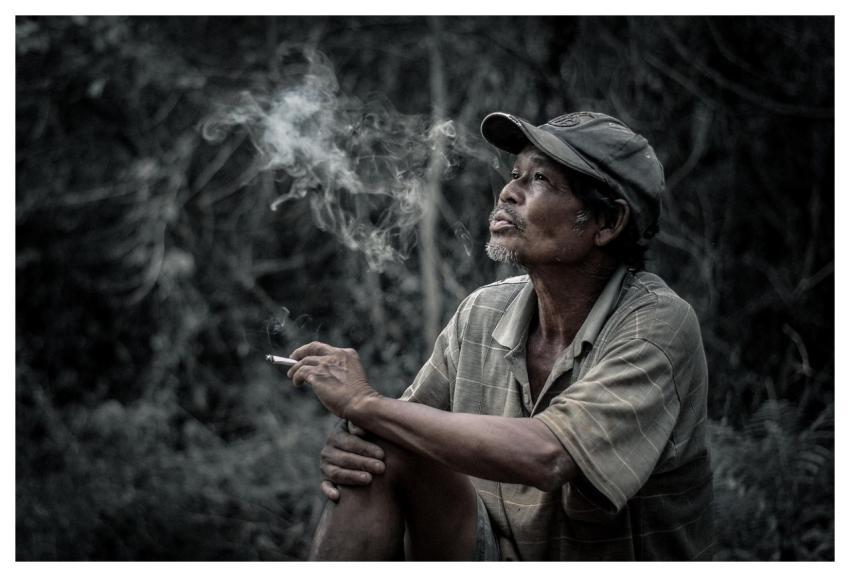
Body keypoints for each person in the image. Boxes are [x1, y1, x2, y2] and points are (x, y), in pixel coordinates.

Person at [286, 111, 715, 561]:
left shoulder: (656, 327)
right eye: (515, 175)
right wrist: (357, 443)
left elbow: (548, 456)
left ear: (606, 222)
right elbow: (400, 431)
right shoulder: (483, 312)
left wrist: (364, 404)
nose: (508, 192)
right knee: (382, 449)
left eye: (541, 181)